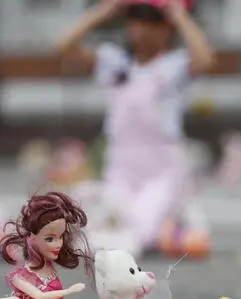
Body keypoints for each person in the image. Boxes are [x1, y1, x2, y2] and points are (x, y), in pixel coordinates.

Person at [56, 0, 215, 254]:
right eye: (136, 21)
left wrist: (179, 16)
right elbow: (64, 47)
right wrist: (101, 12)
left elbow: (206, 59)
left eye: (152, 23)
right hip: (121, 165)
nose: (142, 30)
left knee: (141, 233)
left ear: (166, 30)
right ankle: (171, 226)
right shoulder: (113, 60)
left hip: (161, 168)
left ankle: (174, 222)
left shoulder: (174, 64)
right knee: (98, 222)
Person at [0, 192, 94, 299]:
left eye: (60, 237)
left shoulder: (48, 266)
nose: (58, 244)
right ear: (32, 237)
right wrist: (68, 291)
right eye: (50, 239)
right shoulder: (19, 277)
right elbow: (40, 296)